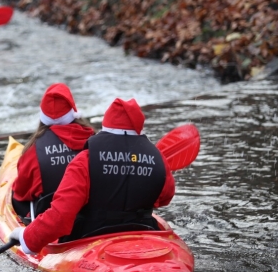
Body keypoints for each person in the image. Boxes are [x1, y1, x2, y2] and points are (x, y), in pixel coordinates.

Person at [9, 98, 175, 255]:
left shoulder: (84, 160)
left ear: (106, 124)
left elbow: (61, 216)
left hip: (90, 237)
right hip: (142, 231)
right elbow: (164, 198)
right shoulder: (158, 158)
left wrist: (27, 237)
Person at [12, 84, 96, 221]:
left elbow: (22, 193)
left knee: (14, 195)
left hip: (52, 220)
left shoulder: (33, 150)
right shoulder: (94, 139)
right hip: (92, 217)